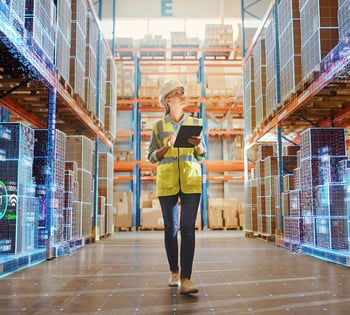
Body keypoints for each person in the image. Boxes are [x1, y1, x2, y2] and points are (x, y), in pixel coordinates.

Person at [148, 80, 206, 294]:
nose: (182, 95)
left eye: (183, 92)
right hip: (167, 182)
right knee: (171, 230)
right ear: (166, 100)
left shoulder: (194, 122)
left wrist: (198, 144)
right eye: (176, 93)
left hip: (191, 181)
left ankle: (186, 279)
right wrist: (166, 147)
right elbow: (151, 157)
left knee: (188, 229)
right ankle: (174, 271)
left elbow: (202, 153)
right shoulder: (158, 127)